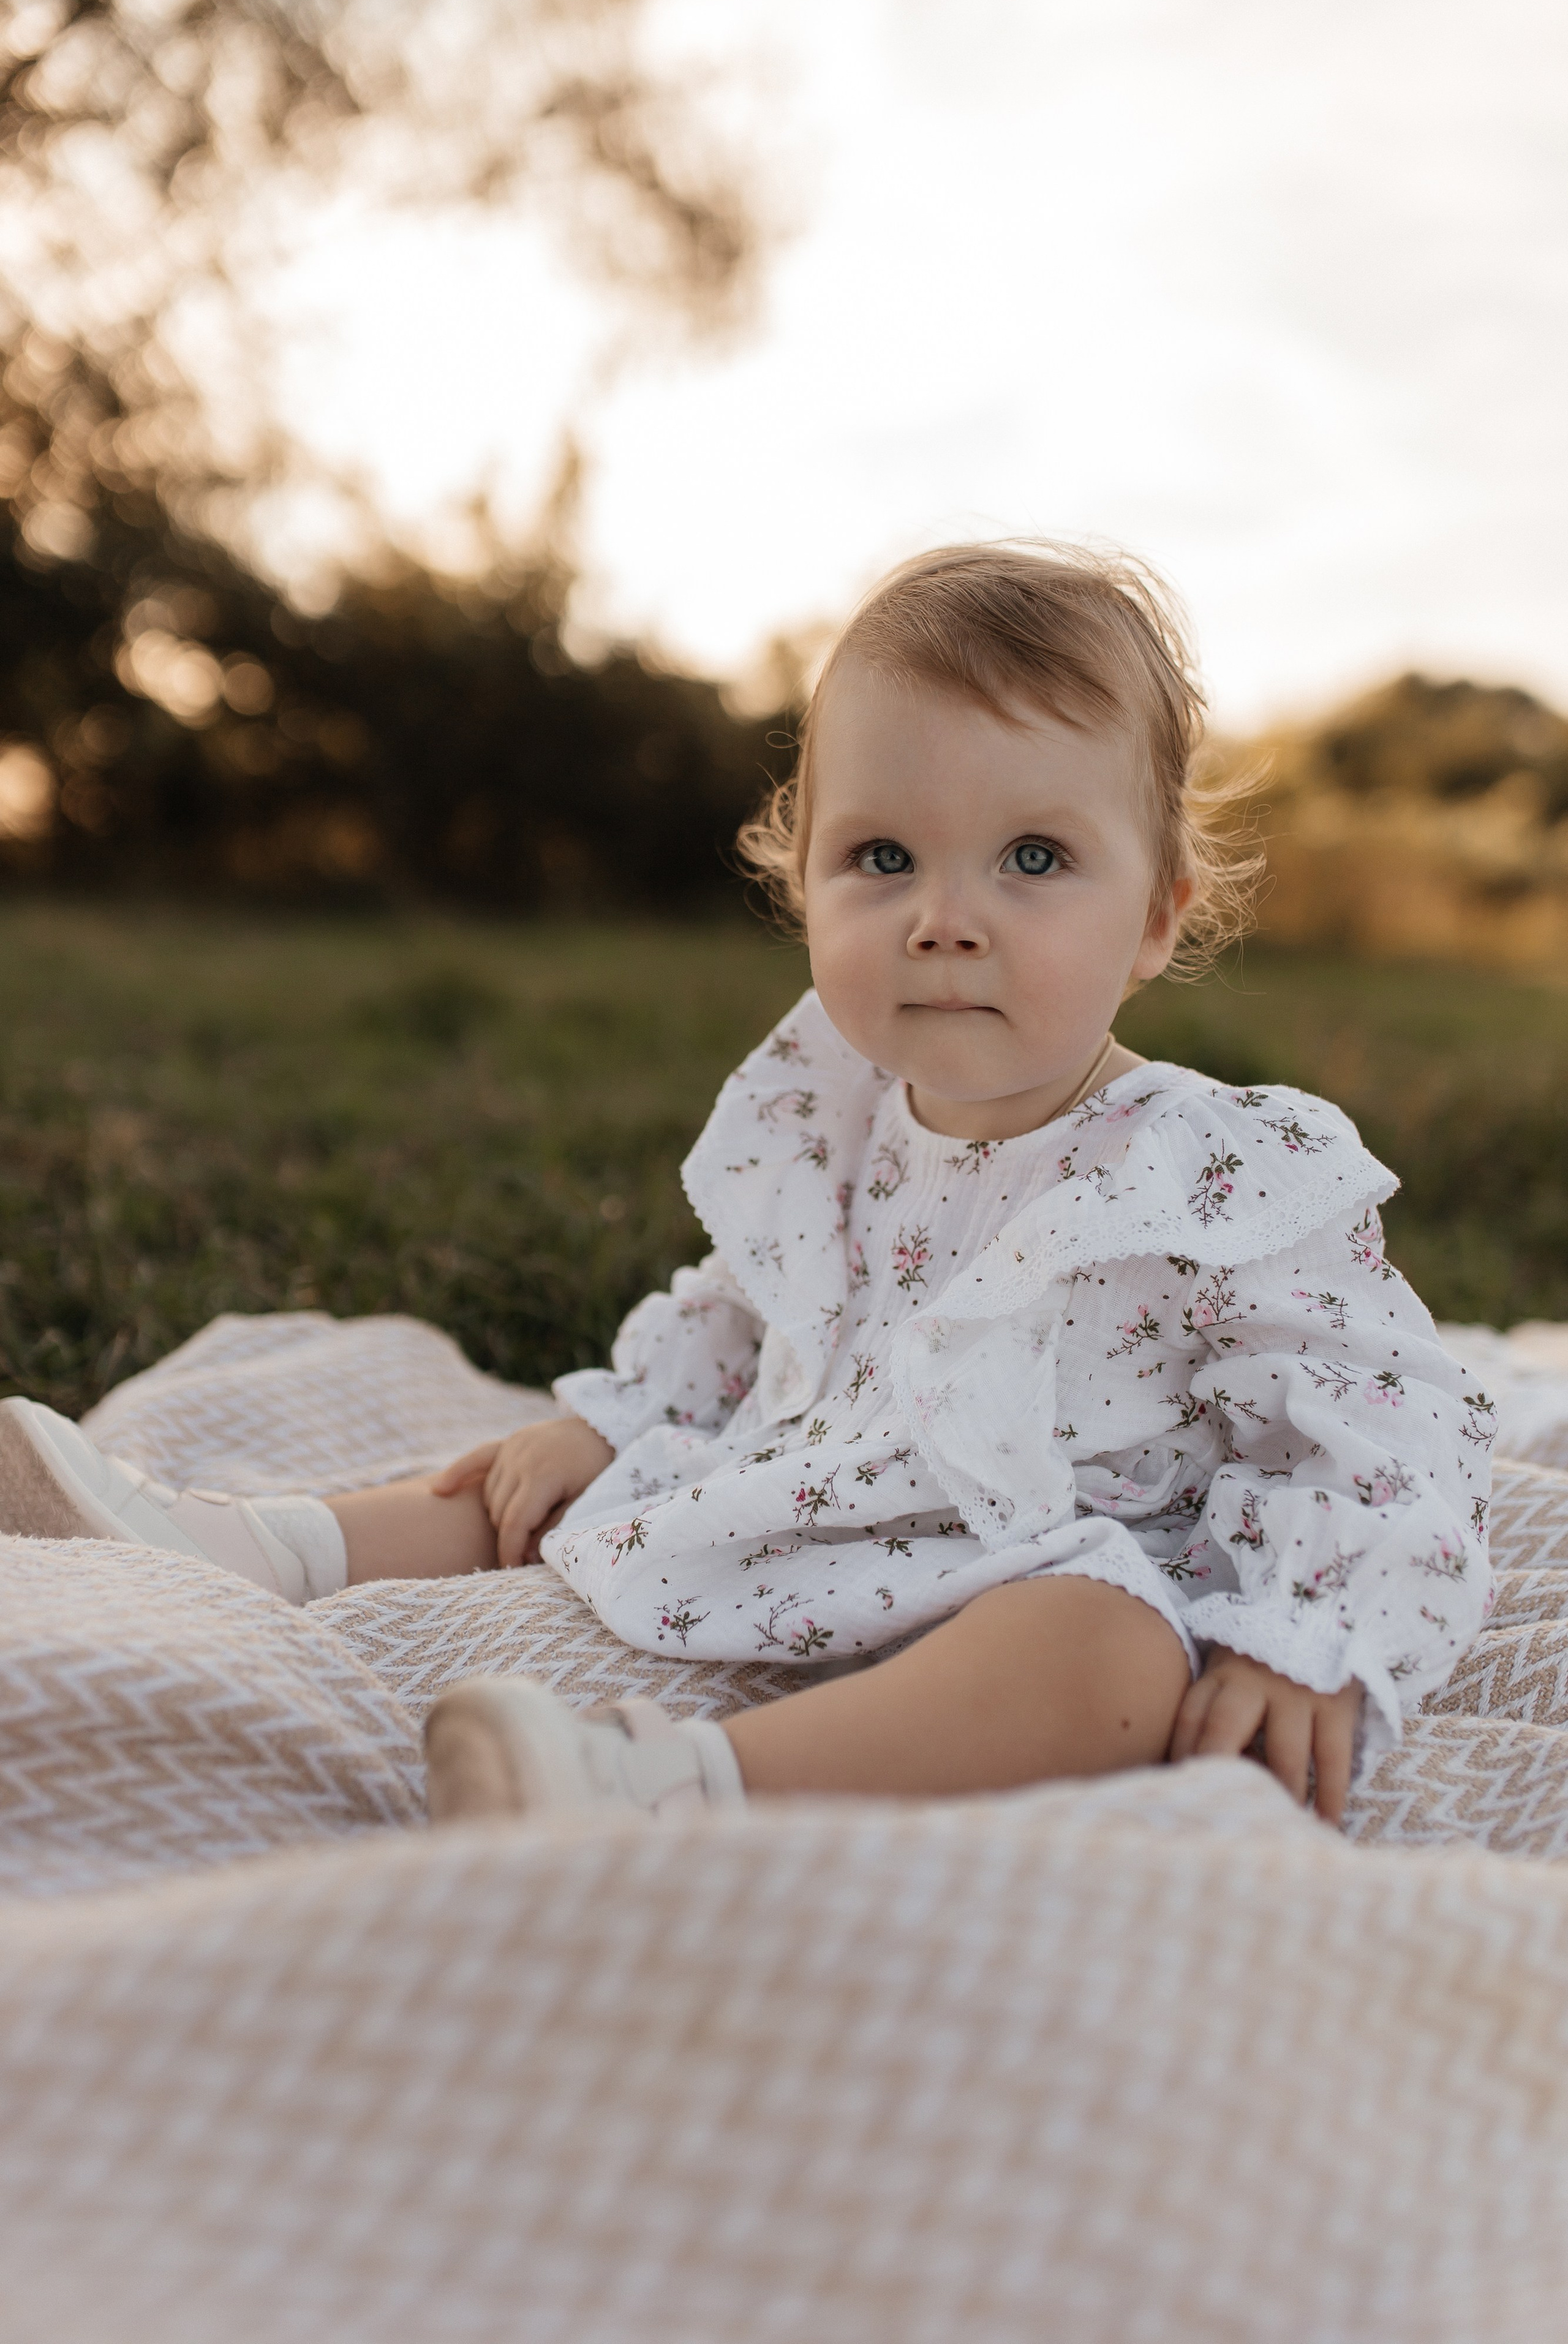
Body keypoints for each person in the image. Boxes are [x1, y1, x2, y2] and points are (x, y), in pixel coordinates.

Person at [0, 544, 1495, 1830]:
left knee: (1109, 1657)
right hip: (814, 1502)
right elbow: (753, 1305)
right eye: (882, 856)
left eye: (1033, 858)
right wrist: (610, 1418)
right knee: (549, 1476)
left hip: (1041, 1569)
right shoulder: (837, 1113)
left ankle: (659, 1788)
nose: (943, 919)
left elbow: (1384, 1418)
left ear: (1156, 918)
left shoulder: (1212, 1168)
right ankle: (256, 1545)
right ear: (802, 885)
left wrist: (1304, 1633)